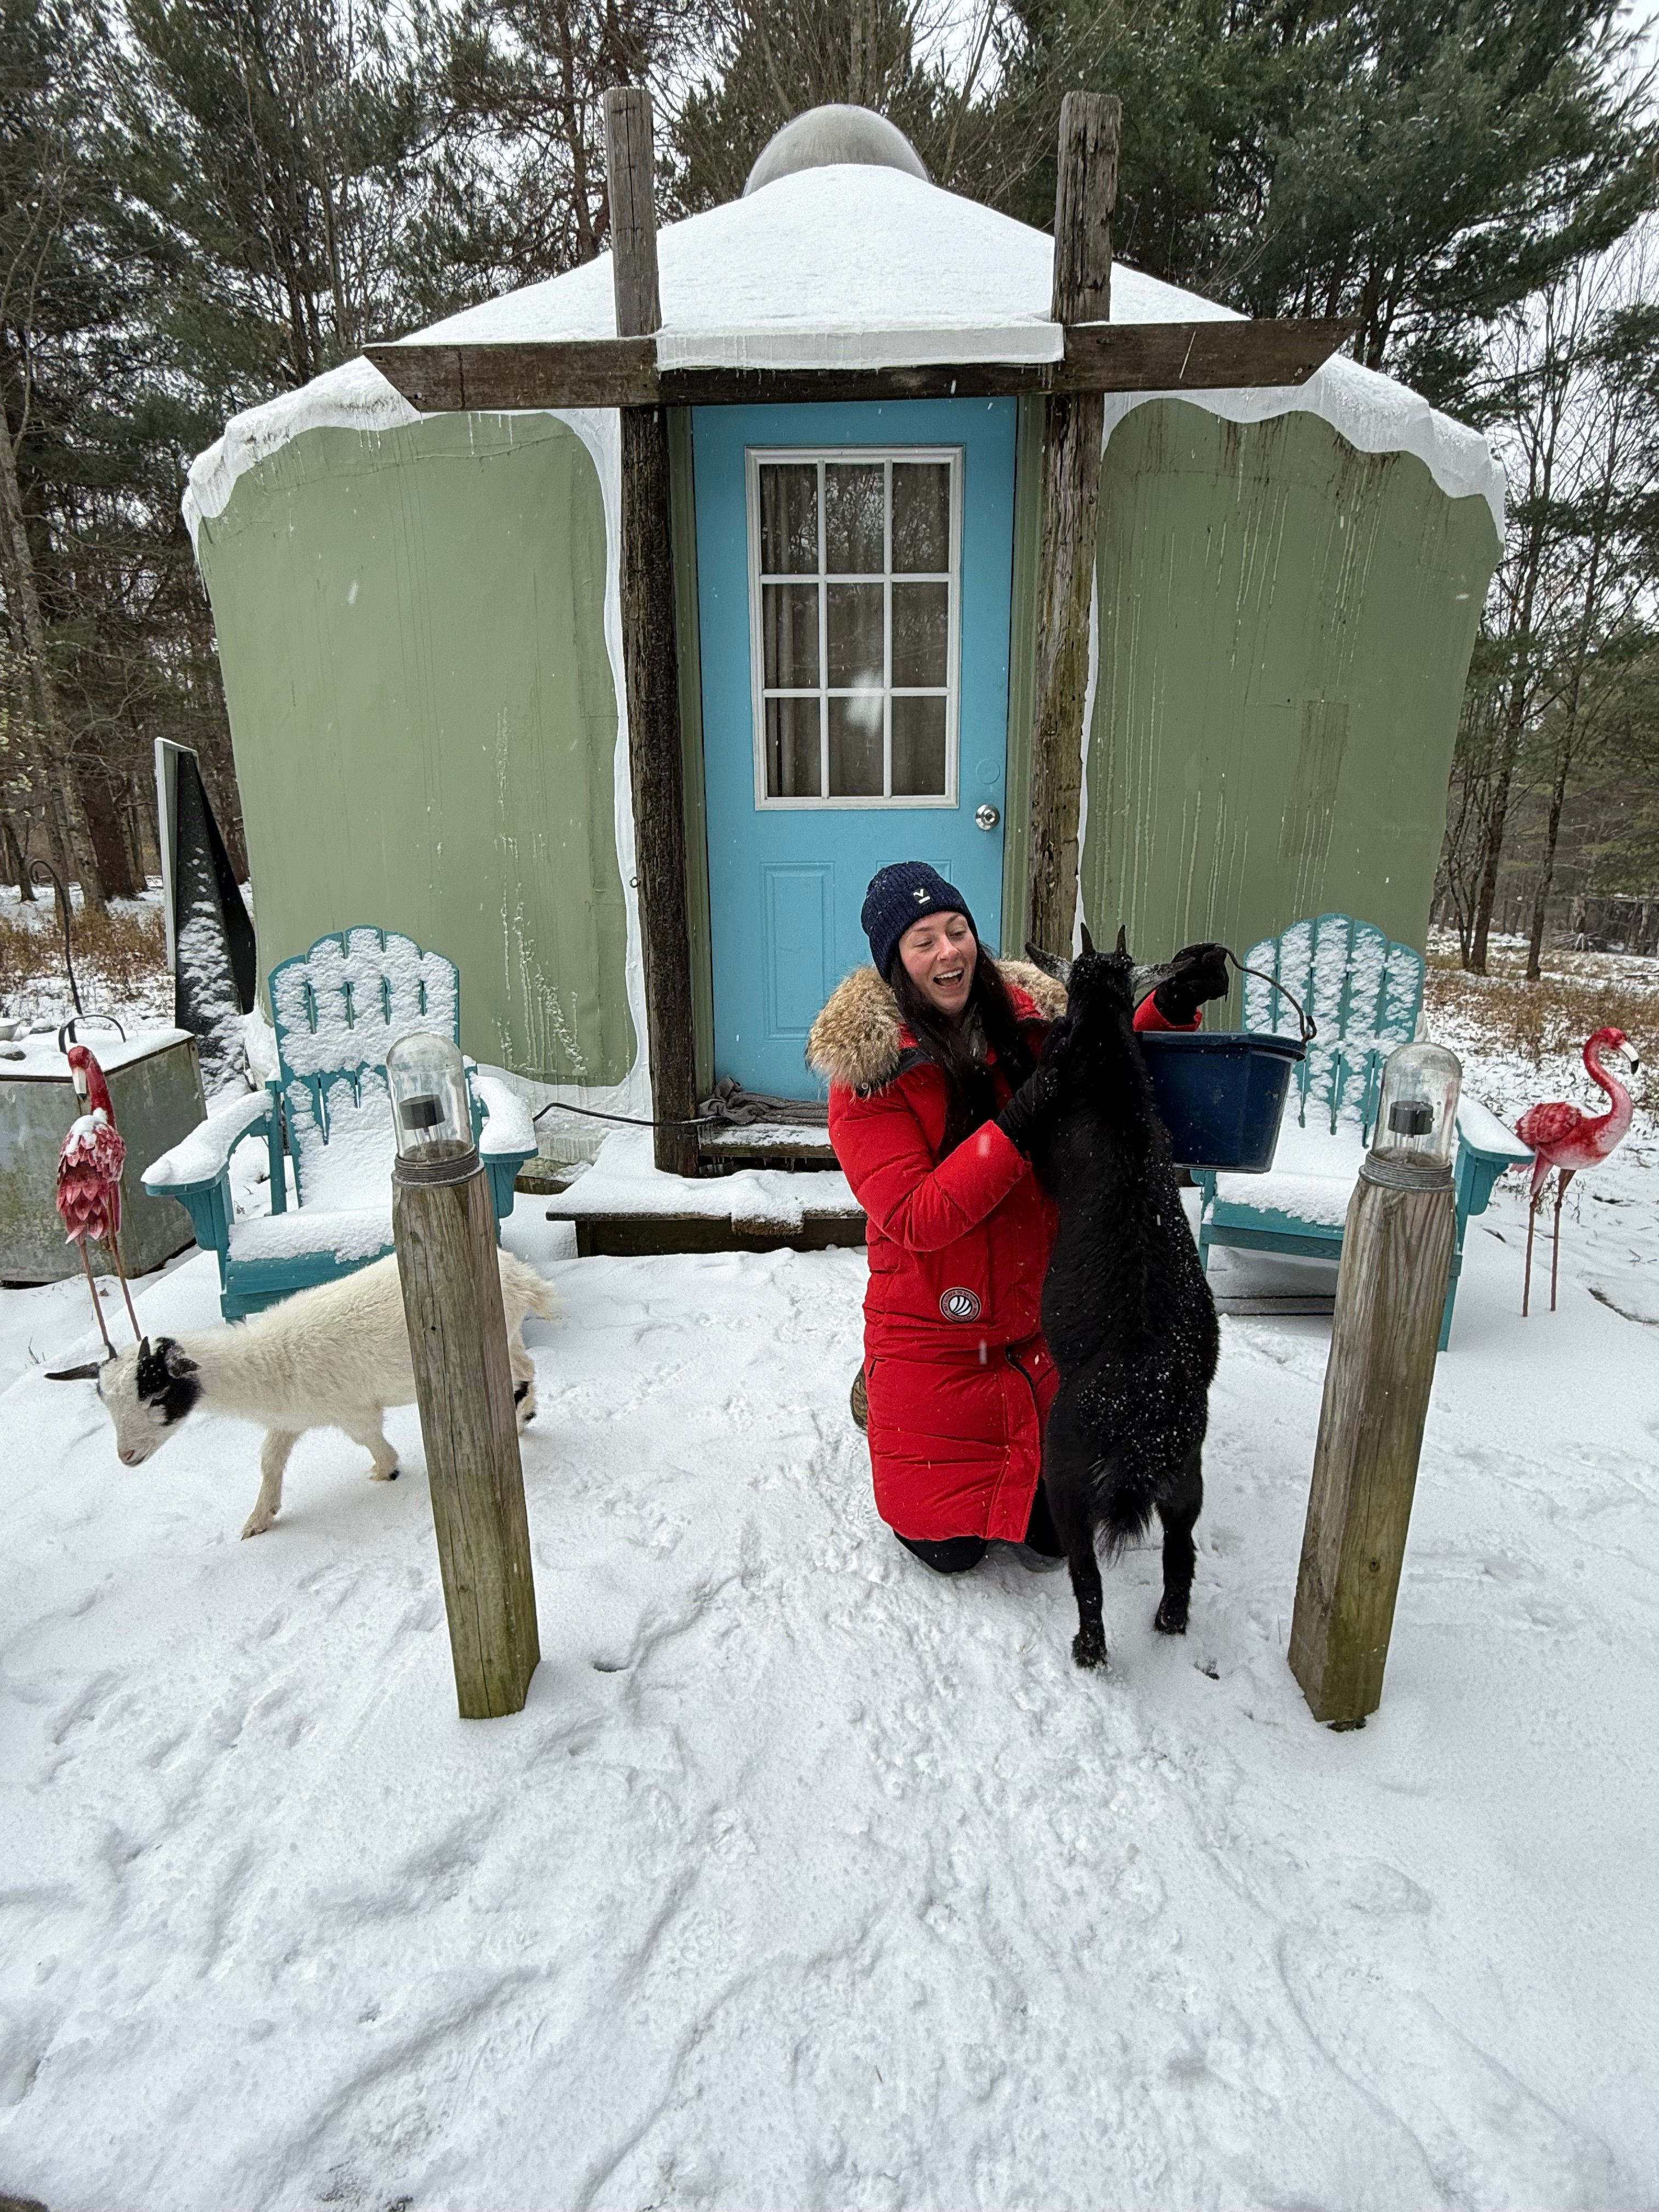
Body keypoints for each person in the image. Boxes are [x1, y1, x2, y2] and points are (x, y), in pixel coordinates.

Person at [806, 861, 1229, 1576]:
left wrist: (1174, 1004)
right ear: (894, 967)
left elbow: (1109, 1048)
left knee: (1055, 1541)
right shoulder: (870, 1080)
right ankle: (877, 1389)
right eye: (923, 941)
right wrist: (1027, 1116)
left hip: (1038, 1335)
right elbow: (917, 1215)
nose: (948, 952)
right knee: (950, 1554)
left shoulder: (1031, 1025)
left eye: (957, 930)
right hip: (934, 1341)